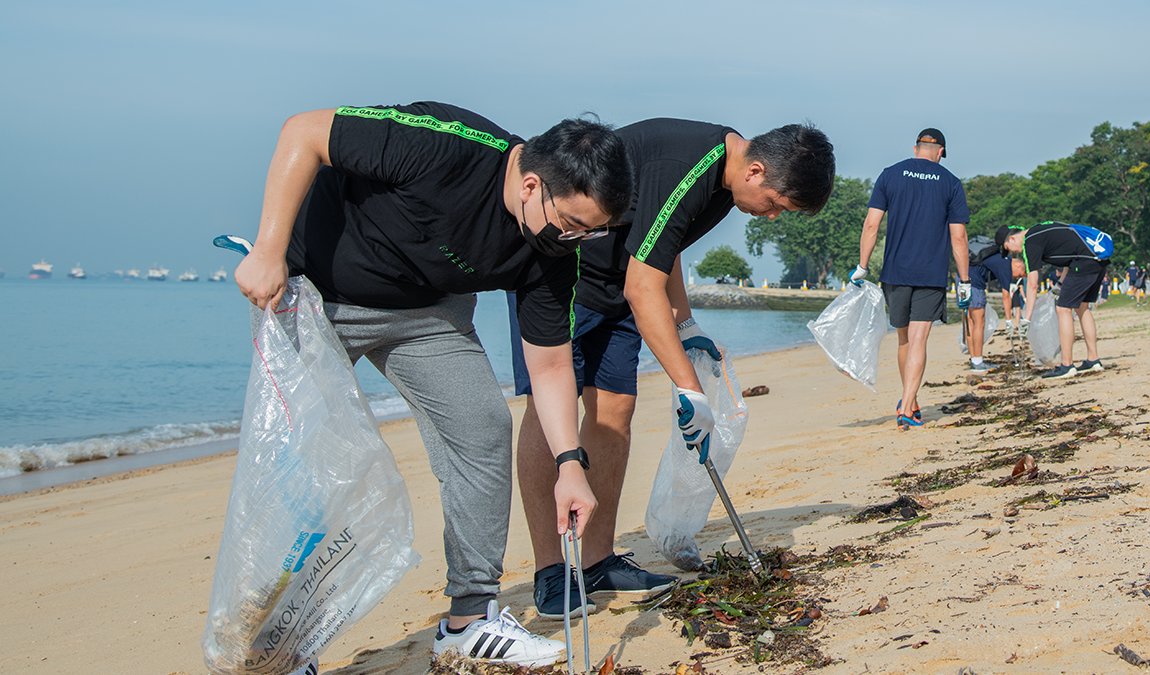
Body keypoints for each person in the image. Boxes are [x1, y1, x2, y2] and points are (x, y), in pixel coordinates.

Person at [234, 101, 634, 670]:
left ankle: (471, 619)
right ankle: (280, 645)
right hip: (313, 296)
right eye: (570, 223)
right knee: (305, 461)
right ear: (529, 184)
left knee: (483, 430)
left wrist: (571, 465)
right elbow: (304, 132)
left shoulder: (553, 253)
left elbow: (548, 368)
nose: (575, 241)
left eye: (590, 232)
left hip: (427, 315)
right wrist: (269, 251)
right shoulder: (443, 145)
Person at [508, 119, 835, 617]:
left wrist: (683, 324)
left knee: (614, 411)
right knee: (548, 417)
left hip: (615, 289)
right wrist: (690, 389)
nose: (769, 218)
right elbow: (645, 286)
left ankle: (595, 562)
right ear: (757, 169)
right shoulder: (689, 165)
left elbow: (665, 244)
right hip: (563, 277)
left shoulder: (726, 181)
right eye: (774, 204)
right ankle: (552, 574)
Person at [851, 128, 970, 428]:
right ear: (940, 152)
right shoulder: (951, 183)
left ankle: (908, 400)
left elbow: (871, 224)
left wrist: (862, 266)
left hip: (896, 271)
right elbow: (959, 237)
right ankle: (908, 404)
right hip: (930, 273)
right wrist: (965, 280)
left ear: (916, 148)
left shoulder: (890, 175)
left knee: (904, 339)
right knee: (919, 339)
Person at [996, 221, 1112, 379]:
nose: (1013, 254)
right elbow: (1069, 259)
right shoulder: (1042, 230)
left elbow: (1032, 284)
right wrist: (1059, 284)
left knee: (1063, 308)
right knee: (1082, 307)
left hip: (1084, 262)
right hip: (1096, 260)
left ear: (1012, 239)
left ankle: (1067, 365)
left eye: (1009, 250)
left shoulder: (1030, 241)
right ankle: (1093, 360)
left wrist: (1027, 319)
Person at [964, 240, 1013, 371]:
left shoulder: (997, 256)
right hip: (974, 283)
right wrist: (1008, 320)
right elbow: (1006, 295)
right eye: (1022, 273)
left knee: (969, 321)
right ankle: (978, 362)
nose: (1020, 276)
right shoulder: (1006, 263)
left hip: (961, 278)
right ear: (1019, 265)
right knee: (978, 322)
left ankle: (973, 358)